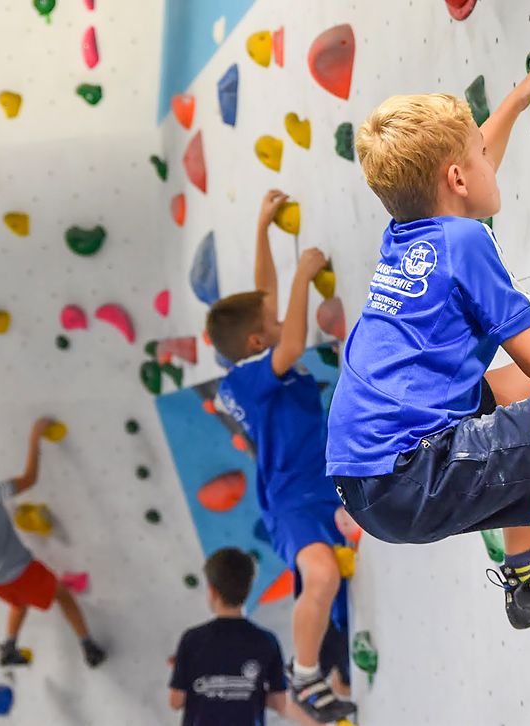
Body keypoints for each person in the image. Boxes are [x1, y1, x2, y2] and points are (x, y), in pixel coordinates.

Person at [326, 63, 530, 629]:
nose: (487, 158)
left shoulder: (411, 230)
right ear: (457, 177)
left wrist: (518, 102)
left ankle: (523, 573)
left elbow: (470, 172)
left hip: (368, 472)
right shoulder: (464, 240)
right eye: (479, 152)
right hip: (410, 475)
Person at [205, 191, 356, 722]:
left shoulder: (249, 363)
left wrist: (263, 229)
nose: (278, 321)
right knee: (321, 576)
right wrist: (304, 276)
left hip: (321, 488)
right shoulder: (244, 379)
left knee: (336, 592)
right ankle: (303, 672)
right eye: (269, 322)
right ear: (254, 340)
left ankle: (329, 673)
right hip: (292, 499)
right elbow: (289, 341)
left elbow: (259, 296)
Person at [0, 417, 106, 666]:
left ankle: (9, 647)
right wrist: (35, 438)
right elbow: (30, 478)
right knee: (62, 595)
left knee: (20, 601)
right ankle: (88, 646)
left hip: (0, 583)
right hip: (21, 571)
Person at [169, 548, 286, 725]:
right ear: (249, 588)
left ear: (212, 591)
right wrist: (250, 690)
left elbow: (176, 702)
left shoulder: (192, 640)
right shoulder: (267, 641)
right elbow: (279, 703)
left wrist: (182, 673)